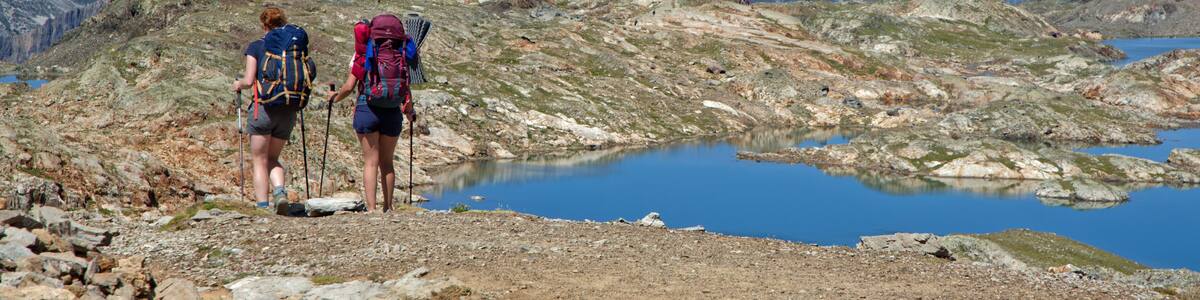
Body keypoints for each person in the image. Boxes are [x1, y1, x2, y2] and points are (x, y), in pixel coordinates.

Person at [326, 20, 416, 212]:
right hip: (392, 111)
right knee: (387, 162)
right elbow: (406, 85)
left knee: (370, 162)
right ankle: (389, 207)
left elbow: (349, 86)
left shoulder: (364, 52)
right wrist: (409, 110)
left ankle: (372, 209)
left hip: (367, 109)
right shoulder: (400, 54)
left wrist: (335, 98)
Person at [231, 7, 299, 214]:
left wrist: (238, 84)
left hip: (263, 110)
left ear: (264, 25)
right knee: (273, 158)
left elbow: (249, 80)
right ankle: (280, 191)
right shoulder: (293, 47)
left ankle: (263, 206)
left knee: (260, 160)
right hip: (287, 110)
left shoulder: (256, 46)